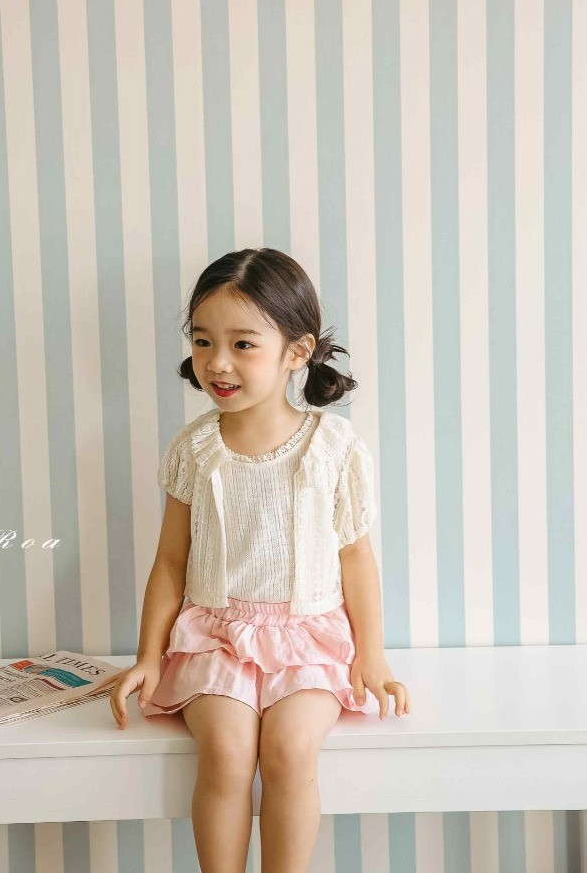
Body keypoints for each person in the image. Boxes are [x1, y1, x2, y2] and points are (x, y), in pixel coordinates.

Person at [110, 246, 411, 873]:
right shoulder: (195, 448)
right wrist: (147, 656)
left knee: (291, 752)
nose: (217, 362)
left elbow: (356, 557)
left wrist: (373, 655)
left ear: (296, 352)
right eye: (203, 341)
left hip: (310, 640)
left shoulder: (332, 446)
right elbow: (170, 562)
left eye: (242, 344)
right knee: (224, 752)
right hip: (214, 638)